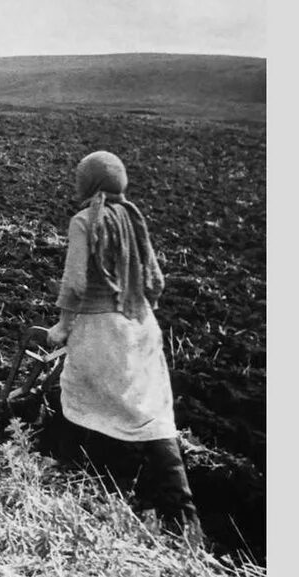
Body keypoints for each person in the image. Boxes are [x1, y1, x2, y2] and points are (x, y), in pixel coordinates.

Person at [47, 150, 203, 544]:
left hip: (102, 332)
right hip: (141, 327)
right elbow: (156, 281)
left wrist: (63, 326)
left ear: (88, 183)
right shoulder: (134, 220)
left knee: (84, 401)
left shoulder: (84, 221)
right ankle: (184, 521)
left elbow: (76, 284)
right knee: (149, 415)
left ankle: (81, 486)